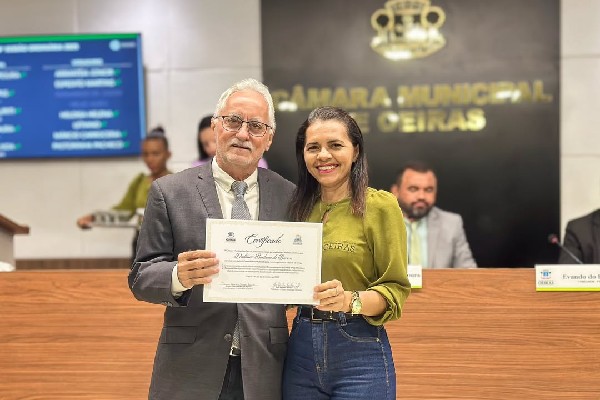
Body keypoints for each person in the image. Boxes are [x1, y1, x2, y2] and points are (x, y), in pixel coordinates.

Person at [128, 78, 295, 400]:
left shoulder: (290, 196)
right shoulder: (169, 192)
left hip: (265, 367)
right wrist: (178, 275)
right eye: (233, 121)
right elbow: (140, 276)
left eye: (256, 126)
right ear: (216, 126)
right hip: (190, 365)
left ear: (269, 139)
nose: (243, 134)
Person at [283, 107, 411, 400]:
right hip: (300, 348)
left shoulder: (380, 206)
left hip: (359, 350)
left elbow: (395, 290)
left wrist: (349, 300)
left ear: (356, 152)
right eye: (313, 147)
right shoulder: (296, 209)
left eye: (335, 145)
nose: (323, 155)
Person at [76, 126, 172, 260]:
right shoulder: (139, 182)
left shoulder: (175, 182)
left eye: (155, 154)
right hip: (140, 245)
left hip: (167, 246)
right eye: (145, 154)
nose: (150, 159)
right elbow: (124, 211)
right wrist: (94, 218)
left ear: (168, 154)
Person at [390, 161, 477, 268]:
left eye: (428, 190)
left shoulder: (451, 224)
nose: (421, 196)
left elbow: (469, 271)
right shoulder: (378, 224)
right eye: (413, 189)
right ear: (395, 191)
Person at [193, 114, 269, 169]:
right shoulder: (197, 167)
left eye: (214, 141)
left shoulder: (256, 163)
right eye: (205, 144)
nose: (211, 148)